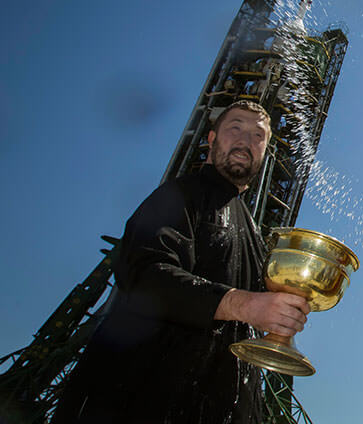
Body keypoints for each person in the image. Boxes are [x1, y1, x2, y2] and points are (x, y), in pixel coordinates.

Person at [53, 101, 310, 424]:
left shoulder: (254, 234)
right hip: (139, 401)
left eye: (258, 136)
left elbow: (254, 319)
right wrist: (241, 305)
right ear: (211, 139)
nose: (246, 140)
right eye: (236, 128)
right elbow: (144, 275)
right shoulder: (178, 197)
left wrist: (283, 314)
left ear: (265, 152)